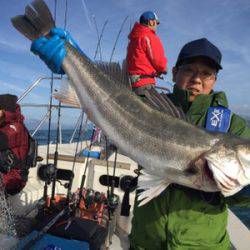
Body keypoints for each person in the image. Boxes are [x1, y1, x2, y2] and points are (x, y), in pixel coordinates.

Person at [129, 38, 250, 250]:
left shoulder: (234, 127)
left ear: (214, 80)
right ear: (175, 72)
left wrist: (239, 189)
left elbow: (245, 198)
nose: (197, 79)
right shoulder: (150, 110)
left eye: (206, 73)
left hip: (203, 244)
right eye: (189, 70)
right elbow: (110, 108)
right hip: (145, 239)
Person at [126, 11, 167, 94]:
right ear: (151, 22)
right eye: (156, 23)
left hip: (132, 84)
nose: (156, 26)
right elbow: (158, 61)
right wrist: (164, 69)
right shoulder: (150, 36)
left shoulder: (133, 40)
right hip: (145, 85)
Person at [0, 94, 30, 195]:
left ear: (3, 111)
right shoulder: (5, 125)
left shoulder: (15, 128)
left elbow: (3, 139)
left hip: (13, 180)